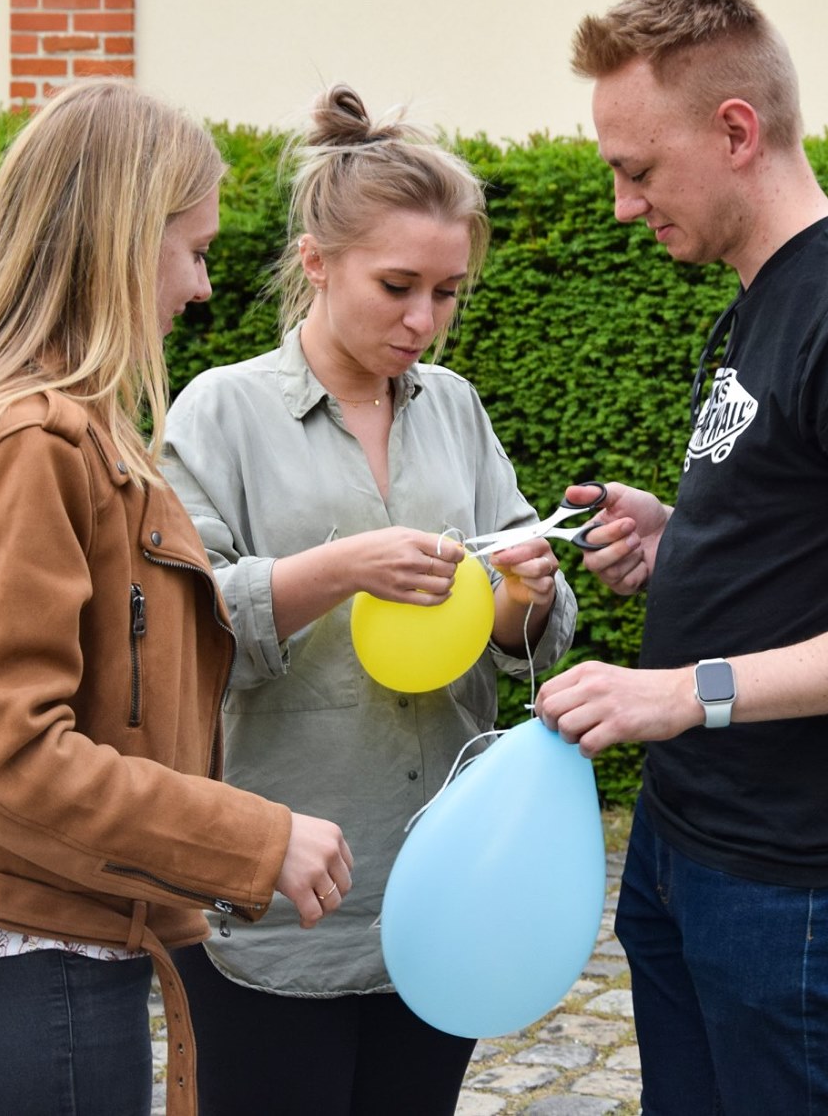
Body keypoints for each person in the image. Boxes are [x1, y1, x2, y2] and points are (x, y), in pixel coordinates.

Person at [0, 79, 355, 1116]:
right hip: (17, 977)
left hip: (9, 959)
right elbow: (9, 753)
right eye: (192, 251)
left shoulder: (29, 423)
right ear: (119, 240)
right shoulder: (26, 442)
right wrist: (256, 839)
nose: (199, 289)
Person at [535, 0, 828, 1115]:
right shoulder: (762, 296)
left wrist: (683, 692)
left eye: (636, 170)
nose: (621, 206)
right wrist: (680, 533)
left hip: (797, 879)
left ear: (735, 131)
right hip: (688, 839)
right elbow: (820, 537)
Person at [159, 83, 578, 1116]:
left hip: (444, 878)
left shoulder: (456, 409)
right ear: (314, 261)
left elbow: (524, 641)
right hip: (281, 895)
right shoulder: (220, 410)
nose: (423, 320)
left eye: (447, 292)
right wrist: (343, 569)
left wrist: (526, 591)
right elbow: (177, 627)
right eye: (397, 285)